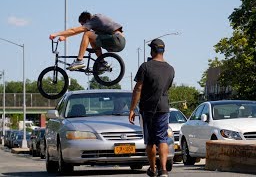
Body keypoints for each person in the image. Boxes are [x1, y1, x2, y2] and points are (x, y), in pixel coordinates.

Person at [128, 38, 175, 177]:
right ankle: (164, 170)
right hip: (163, 107)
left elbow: (138, 88)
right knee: (162, 138)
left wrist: (132, 109)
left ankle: (153, 169)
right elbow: (167, 87)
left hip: (148, 108)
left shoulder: (145, 66)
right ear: (163, 50)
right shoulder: (170, 69)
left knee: (150, 141)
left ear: (152, 50)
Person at [49, 11, 125, 70]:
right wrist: (65, 36)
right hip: (120, 42)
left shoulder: (94, 20)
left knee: (87, 34)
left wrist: (57, 34)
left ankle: (79, 61)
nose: (83, 26)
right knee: (92, 38)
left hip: (115, 39)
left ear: (87, 20)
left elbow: (75, 30)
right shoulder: (98, 19)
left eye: (83, 24)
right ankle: (102, 62)